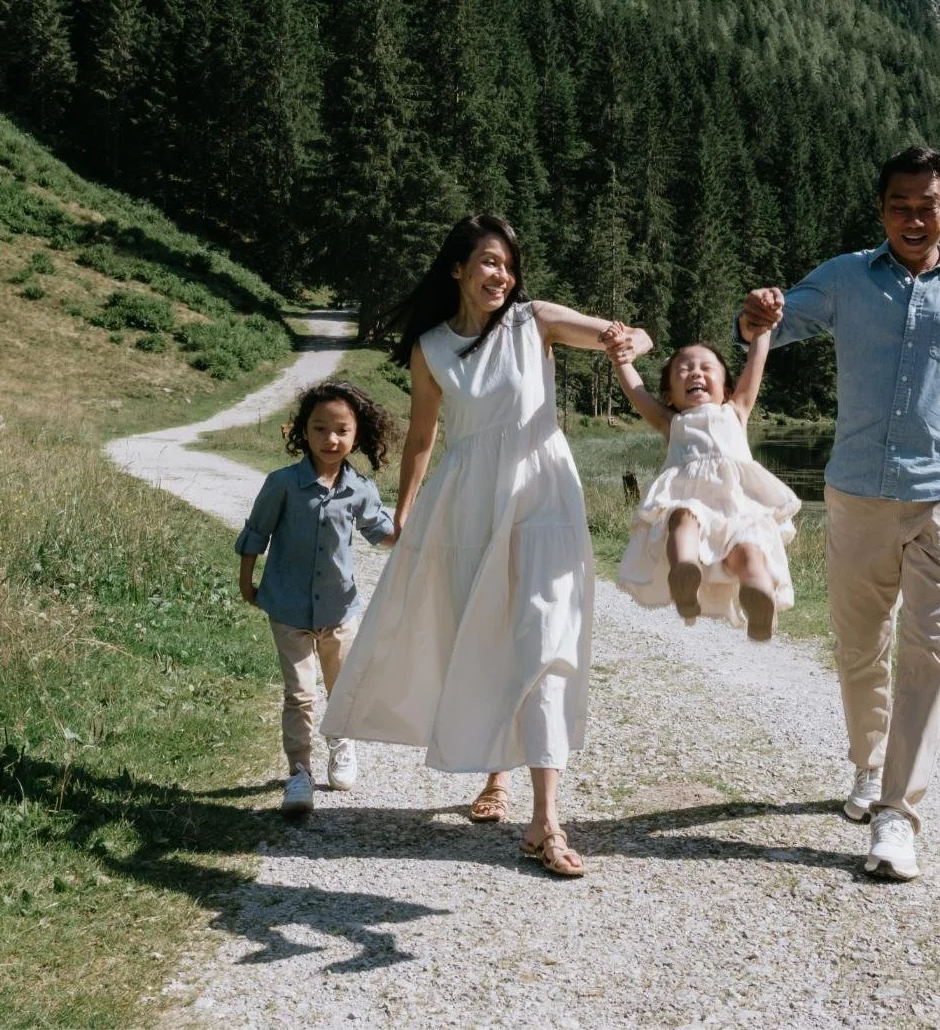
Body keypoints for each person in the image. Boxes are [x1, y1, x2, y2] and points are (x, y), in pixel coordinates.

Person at [738, 146, 940, 883]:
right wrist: (755, 315)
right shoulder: (846, 277)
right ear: (882, 210)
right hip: (856, 493)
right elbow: (771, 327)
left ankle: (895, 814)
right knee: (858, 647)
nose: (914, 218)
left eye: (927, 204)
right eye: (899, 205)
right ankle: (866, 764)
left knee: (933, 648)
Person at [322, 214, 648, 879]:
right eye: (487, 262)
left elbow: (624, 333)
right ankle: (496, 778)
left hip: (545, 496)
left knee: (546, 639)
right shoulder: (431, 348)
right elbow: (420, 439)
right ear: (456, 269)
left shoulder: (536, 321)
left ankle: (546, 819)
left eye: (507, 263)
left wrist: (626, 338)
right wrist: (406, 516)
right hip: (470, 501)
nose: (500, 274)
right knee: (490, 636)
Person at [235, 380, 398, 817]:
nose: (331, 439)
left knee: (340, 688)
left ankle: (341, 745)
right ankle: (299, 774)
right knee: (300, 693)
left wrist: (419, 530)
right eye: (320, 428)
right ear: (302, 432)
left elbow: (382, 533)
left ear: (356, 435)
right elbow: (257, 533)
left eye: (341, 430)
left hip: (339, 611)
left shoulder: (360, 489)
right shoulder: (283, 484)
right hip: (287, 608)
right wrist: (247, 581)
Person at [605, 326, 799, 641]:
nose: (695, 373)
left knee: (749, 553)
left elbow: (755, 363)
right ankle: (685, 572)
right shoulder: (670, 421)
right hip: (691, 505)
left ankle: (760, 598)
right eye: (684, 369)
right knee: (681, 519)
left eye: (706, 368)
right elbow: (636, 391)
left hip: (739, 509)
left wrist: (763, 330)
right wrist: (621, 359)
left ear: (726, 387)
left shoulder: (736, 411)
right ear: (668, 395)